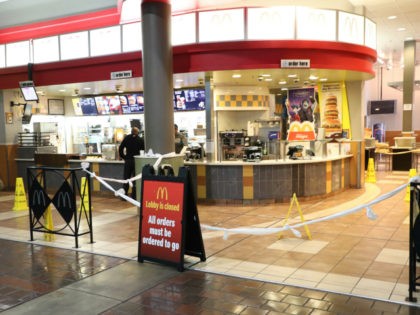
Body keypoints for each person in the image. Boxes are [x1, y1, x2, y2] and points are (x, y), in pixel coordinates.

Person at [118, 127, 145, 199]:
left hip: (128, 161)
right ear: (137, 132)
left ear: (131, 131)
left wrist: (124, 157)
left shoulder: (127, 138)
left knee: (126, 178)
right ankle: (134, 196)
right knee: (135, 179)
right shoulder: (140, 140)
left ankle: (124, 196)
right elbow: (144, 151)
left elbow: (121, 148)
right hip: (136, 161)